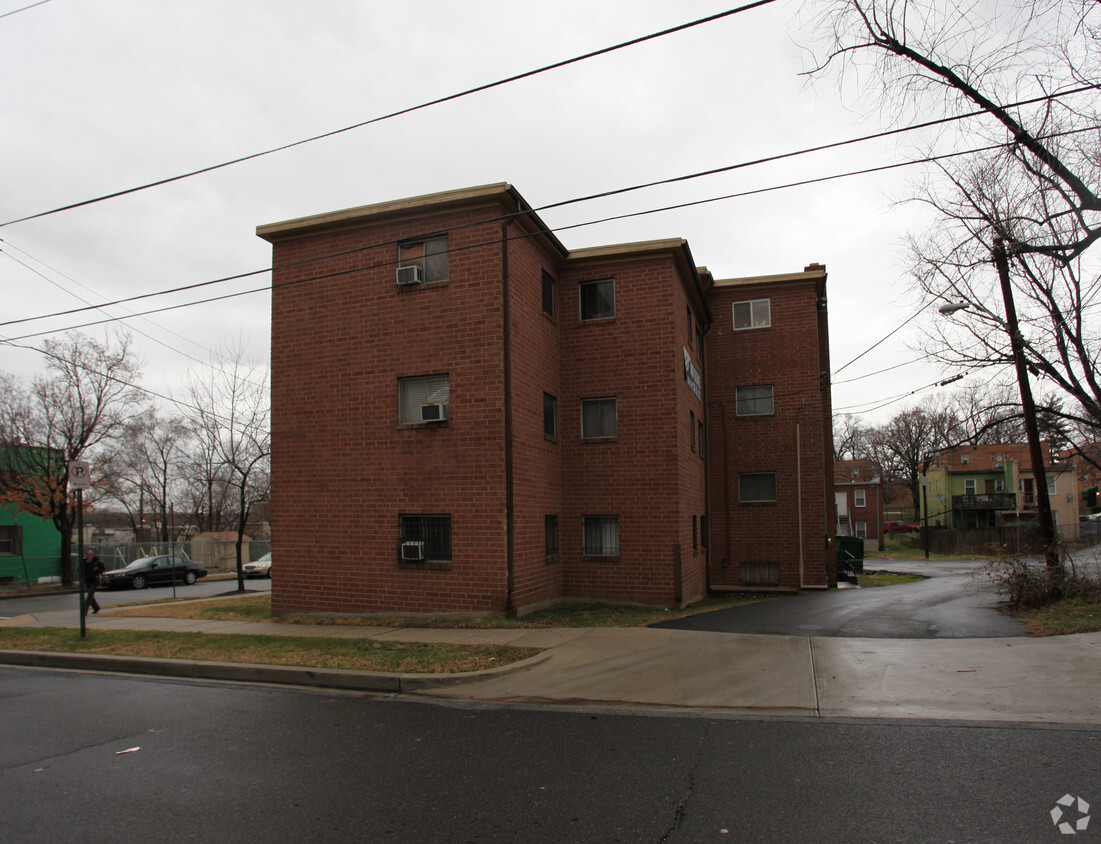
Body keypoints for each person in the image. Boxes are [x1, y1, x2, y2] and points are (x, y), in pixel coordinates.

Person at [83, 550, 105, 615]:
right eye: (88, 554)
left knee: (89, 595)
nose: (89, 556)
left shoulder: (96, 562)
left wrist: (97, 569)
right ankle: (96, 607)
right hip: (87, 580)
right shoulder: (84, 562)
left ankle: (84, 610)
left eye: (91, 554)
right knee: (91, 596)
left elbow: (102, 570)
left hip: (94, 581)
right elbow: (79, 569)